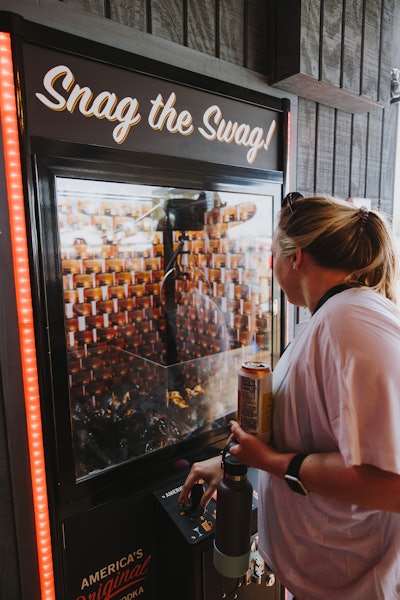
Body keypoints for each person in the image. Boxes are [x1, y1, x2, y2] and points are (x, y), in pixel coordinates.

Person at [178, 193, 400, 600]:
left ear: (295, 257)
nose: (270, 265)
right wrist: (234, 460)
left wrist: (272, 462)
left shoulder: (349, 319)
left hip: (357, 583)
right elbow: (316, 436)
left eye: (273, 252)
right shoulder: (333, 317)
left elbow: (390, 485)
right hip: (331, 577)